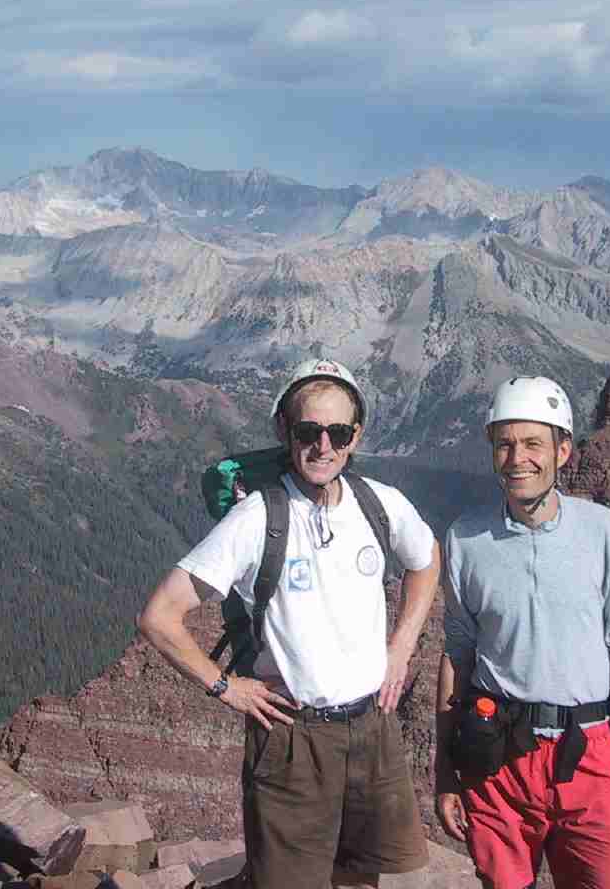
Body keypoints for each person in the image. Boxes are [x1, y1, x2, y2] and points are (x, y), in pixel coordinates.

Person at [138, 358, 441, 889]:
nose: (323, 446)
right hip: (292, 738)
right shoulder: (257, 517)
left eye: (338, 432)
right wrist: (224, 686)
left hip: (372, 728)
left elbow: (426, 558)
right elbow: (160, 617)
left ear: (355, 436)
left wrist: (403, 643)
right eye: (309, 430)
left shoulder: (379, 505)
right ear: (285, 430)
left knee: (361, 880)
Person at [434, 376, 610, 889]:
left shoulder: (603, 533)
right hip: (497, 759)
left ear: (563, 451)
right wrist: (445, 772)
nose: (518, 458)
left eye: (533, 443)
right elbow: (457, 656)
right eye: (505, 444)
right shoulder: (466, 538)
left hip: (589, 755)